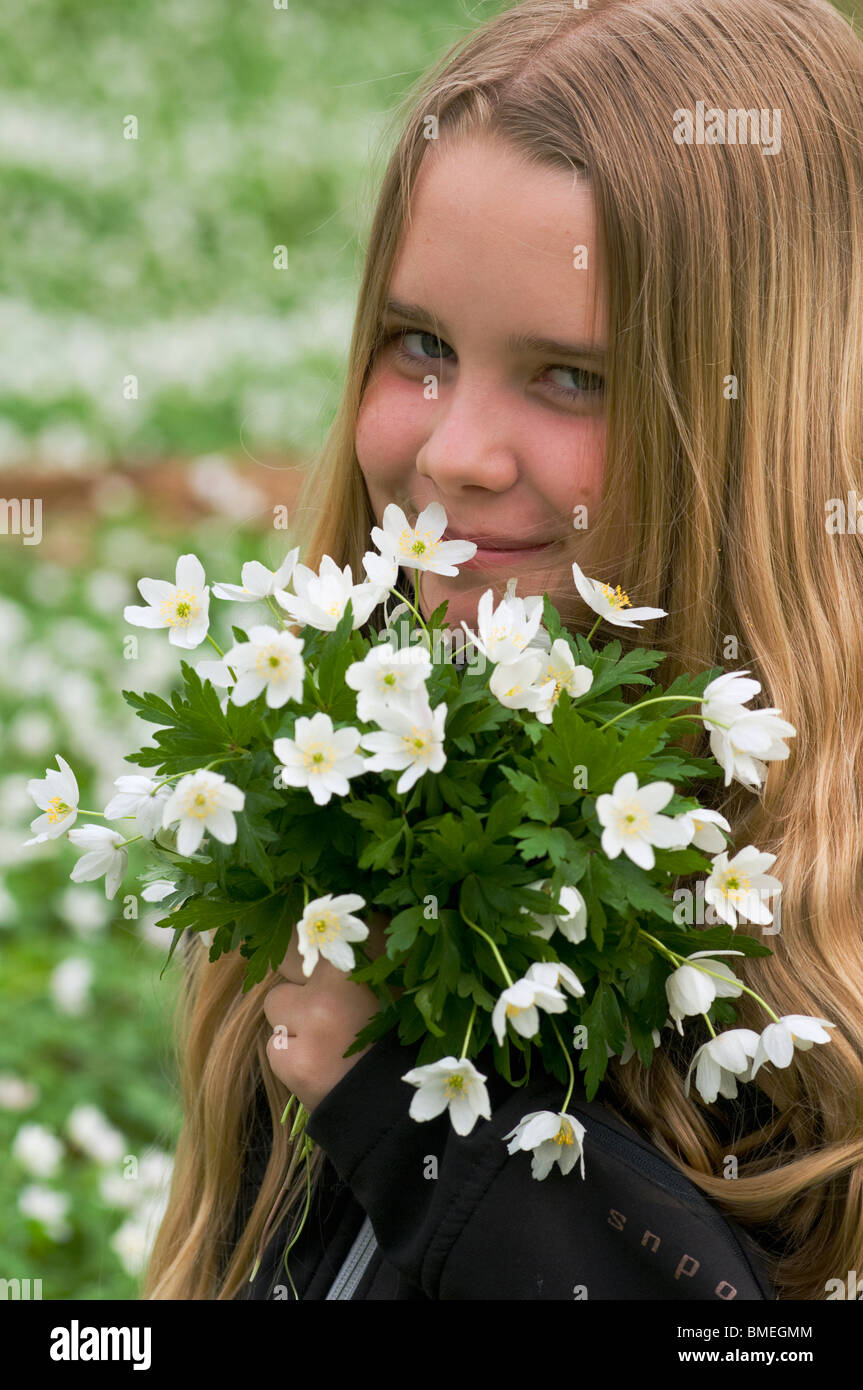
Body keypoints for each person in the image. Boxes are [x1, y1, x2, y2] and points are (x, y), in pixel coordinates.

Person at [143, 0, 863, 1301]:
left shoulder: (816, 973)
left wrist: (419, 1128)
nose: (453, 456)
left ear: (770, 430)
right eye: (420, 346)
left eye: (570, 377)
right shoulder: (350, 806)